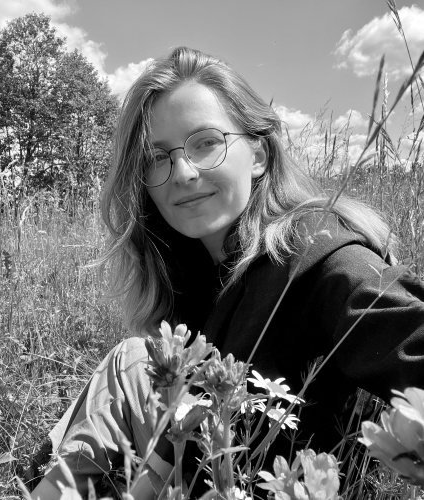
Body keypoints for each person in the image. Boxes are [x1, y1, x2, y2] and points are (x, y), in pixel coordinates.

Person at [31, 46, 424, 499]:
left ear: (258, 154)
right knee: (136, 358)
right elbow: (189, 418)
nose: (182, 172)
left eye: (206, 142)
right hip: (209, 467)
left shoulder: (319, 256)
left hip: (284, 482)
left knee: (129, 362)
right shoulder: (199, 272)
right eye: (156, 157)